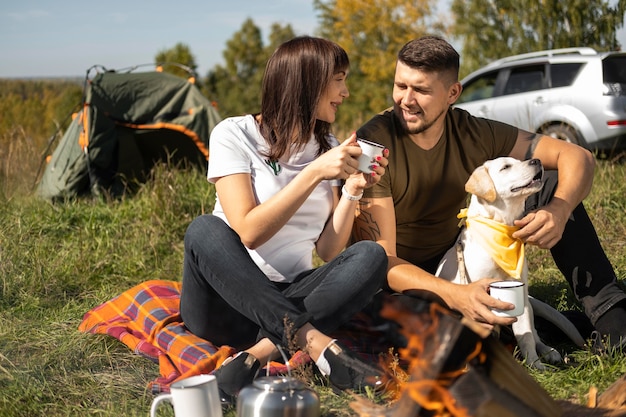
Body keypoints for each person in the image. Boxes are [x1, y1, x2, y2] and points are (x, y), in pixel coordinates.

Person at [353, 36, 626, 349]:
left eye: (422, 90)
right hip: (402, 283)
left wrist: (559, 210)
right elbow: (382, 260)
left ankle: (611, 318)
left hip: (462, 261)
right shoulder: (375, 144)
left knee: (549, 183)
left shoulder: (472, 132)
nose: (406, 100)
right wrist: (458, 296)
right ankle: (536, 332)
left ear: (452, 93)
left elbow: (578, 157)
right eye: (401, 86)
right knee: (428, 341)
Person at [179, 36, 389, 407]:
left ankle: (255, 357)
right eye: (338, 80)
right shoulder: (235, 134)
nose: (346, 91)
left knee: (370, 255)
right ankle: (316, 343)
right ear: (309, 83)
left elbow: (327, 250)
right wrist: (313, 174)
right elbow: (249, 232)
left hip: (291, 297)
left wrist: (353, 189)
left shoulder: (328, 147)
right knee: (204, 230)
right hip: (227, 305)